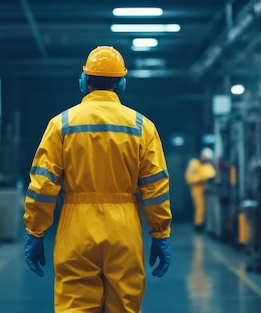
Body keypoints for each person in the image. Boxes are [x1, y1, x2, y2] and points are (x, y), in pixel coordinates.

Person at [23, 46, 172, 313]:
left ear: (84, 81)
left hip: (76, 231)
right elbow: (156, 187)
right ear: (122, 83)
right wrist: (160, 233)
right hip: (124, 231)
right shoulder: (142, 126)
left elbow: (43, 185)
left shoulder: (62, 124)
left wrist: (36, 230)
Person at [185, 147, 216, 233]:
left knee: (206, 209)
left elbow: (212, 174)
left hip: (207, 189)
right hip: (197, 189)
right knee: (200, 207)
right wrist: (200, 178)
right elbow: (189, 177)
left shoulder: (207, 165)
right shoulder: (193, 163)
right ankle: (198, 225)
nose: (205, 160)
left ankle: (204, 225)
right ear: (202, 156)